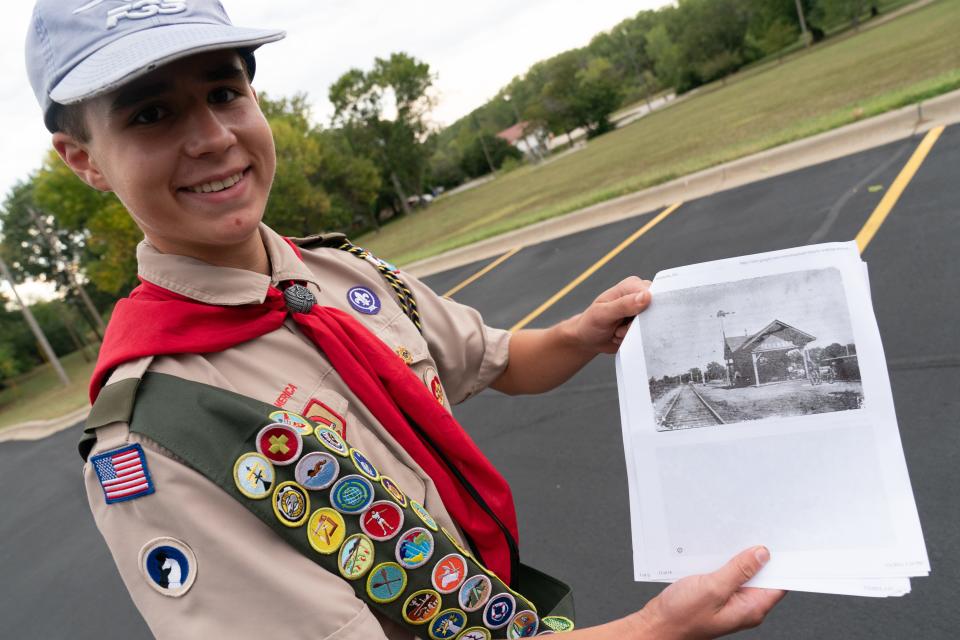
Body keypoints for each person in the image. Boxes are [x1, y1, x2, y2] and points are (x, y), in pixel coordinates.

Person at [25, 1, 786, 638]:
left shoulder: (339, 276)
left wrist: (579, 335)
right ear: (84, 160)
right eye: (152, 113)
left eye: (225, 93)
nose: (213, 138)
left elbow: (492, 359)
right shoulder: (156, 434)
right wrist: (656, 627)